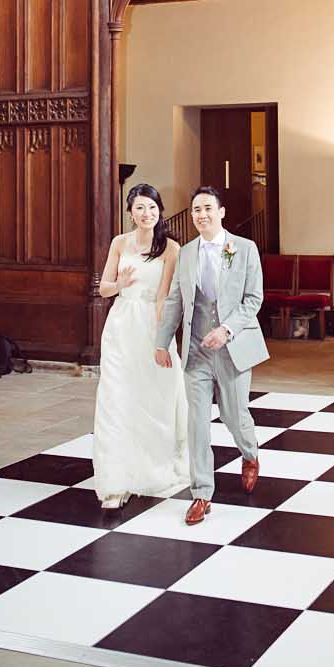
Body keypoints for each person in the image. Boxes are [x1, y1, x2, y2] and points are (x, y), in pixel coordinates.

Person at [154, 186, 269, 526]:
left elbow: (254, 299)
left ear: (221, 212)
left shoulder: (244, 249)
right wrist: (162, 341)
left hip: (232, 349)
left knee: (235, 416)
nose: (200, 215)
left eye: (207, 208)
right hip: (195, 352)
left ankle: (250, 454)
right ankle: (202, 494)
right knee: (197, 423)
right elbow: (175, 300)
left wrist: (227, 330)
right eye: (195, 211)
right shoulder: (186, 254)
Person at [92, 184, 189, 508]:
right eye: (139, 208)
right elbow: (104, 288)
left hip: (150, 323)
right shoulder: (120, 243)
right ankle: (115, 480)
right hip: (121, 326)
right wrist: (120, 284)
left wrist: (163, 340)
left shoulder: (171, 248)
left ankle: (150, 468)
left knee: (154, 397)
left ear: (159, 210)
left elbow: (164, 296)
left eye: (152, 207)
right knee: (117, 399)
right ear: (130, 212)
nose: (146, 214)